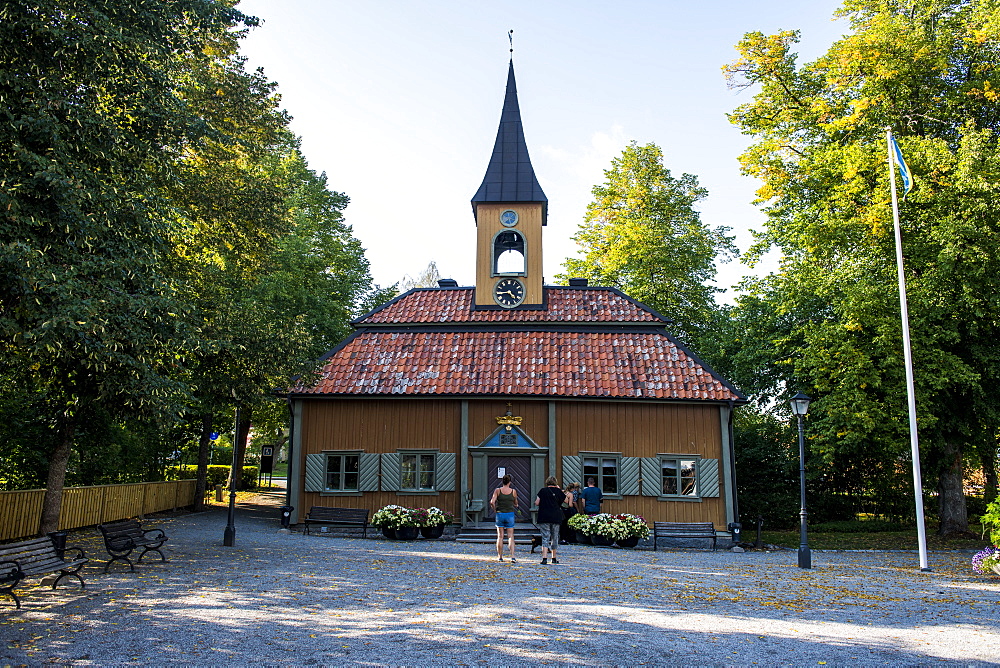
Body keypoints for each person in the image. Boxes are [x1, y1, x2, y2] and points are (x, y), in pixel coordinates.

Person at [535, 476, 572, 564]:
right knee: (554, 536)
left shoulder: (542, 491)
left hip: (544, 516)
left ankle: (544, 558)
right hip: (555, 516)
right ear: (555, 483)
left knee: (545, 537)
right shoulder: (558, 491)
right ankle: (554, 557)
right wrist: (560, 490)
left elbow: (537, 502)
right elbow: (566, 501)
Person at [489, 475, 518, 562]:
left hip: (500, 514)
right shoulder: (513, 491)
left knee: (500, 536)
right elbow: (516, 503)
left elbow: (492, 502)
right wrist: (515, 504)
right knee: (510, 536)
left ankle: (500, 556)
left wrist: (494, 509)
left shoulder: (497, 490)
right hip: (510, 514)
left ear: (502, 482)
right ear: (510, 482)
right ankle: (512, 556)